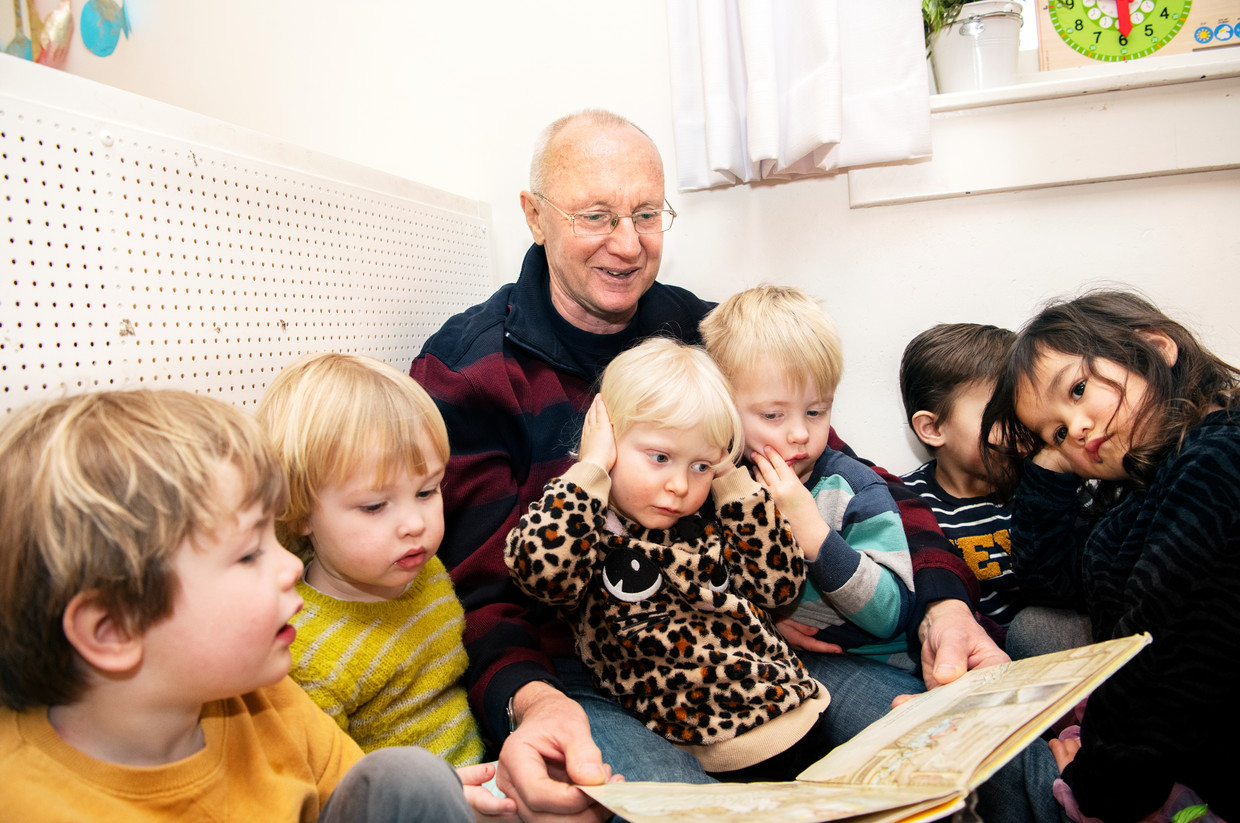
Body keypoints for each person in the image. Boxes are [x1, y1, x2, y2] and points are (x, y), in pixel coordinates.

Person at [410, 108, 1006, 821]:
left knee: (967, 753)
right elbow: (478, 593)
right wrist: (531, 702)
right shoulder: (472, 370)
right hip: (584, 673)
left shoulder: (709, 335)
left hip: (756, 648)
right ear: (535, 217)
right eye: (596, 216)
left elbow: (846, 475)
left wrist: (945, 604)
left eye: (647, 215)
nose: (628, 245)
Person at [0, 389, 490, 822]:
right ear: (113, 630)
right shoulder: (26, 801)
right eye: (249, 553)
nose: (292, 568)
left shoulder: (269, 698)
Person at [506, 338, 831, 782]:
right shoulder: (588, 527)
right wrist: (591, 470)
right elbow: (537, 571)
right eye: (660, 458)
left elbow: (781, 588)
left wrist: (731, 482)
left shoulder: (713, 516)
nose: (679, 484)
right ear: (610, 438)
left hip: (798, 710)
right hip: (719, 746)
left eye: (700, 465)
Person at [980, 289, 1240, 822]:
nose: (1074, 428)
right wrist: (1052, 460)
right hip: (1166, 727)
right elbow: (1053, 582)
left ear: (1154, 348)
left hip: (1181, 737)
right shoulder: (1147, 479)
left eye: (1077, 389)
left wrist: (1101, 780)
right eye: (1053, 429)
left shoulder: (1214, 460)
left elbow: (1165, 646)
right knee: (1033, 627)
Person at [255, 352, 486, 766]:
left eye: (426, 491)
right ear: (301, 510)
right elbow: (328, 790)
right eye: (376, 506)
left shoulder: (423, 570)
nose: (414, 524)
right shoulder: (303, 655)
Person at [699, 285, 915, 670]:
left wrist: (812, 532)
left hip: (874, 660)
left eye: (815, 412)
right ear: (724, 408)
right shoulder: (713, 487)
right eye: (773, 416)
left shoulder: (853, 490)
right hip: (779, 657)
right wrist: (768, 620)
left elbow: (890, 615)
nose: (799, 433)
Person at [899, 323, 1028, 638]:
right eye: (998, 413)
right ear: (932, 428)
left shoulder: (1041, 486)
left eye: (1023, 409)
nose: (1019, 428)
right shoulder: (906, 504)